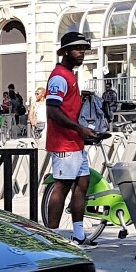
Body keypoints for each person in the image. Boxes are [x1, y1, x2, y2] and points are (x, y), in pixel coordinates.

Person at [45, 32, 108, 247]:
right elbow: (52, 111)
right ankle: (52, 237)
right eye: (76, 48)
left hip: (75, 141)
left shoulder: (70, 76)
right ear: (64, 52)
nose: (82, 52)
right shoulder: (59, 77)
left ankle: (79, 234)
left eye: (84, 48)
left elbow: (67, 107)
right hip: (64, 142)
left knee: (83, 183)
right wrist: (78, 128)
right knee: (61, 187)